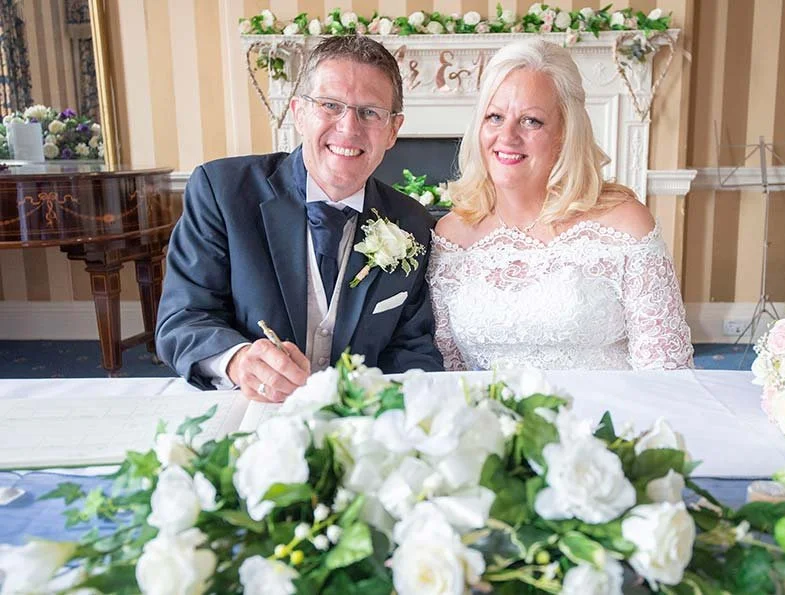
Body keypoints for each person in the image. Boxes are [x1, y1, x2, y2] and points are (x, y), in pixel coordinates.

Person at [156, 35, 443, 401]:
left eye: (369, 112)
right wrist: (239, 361)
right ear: (299, 113)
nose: (349, 128)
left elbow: (412, 349)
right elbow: (182, 318)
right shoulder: (222, 191)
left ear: (393, 130)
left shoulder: (411, 222)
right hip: (249, 410)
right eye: (330, 105)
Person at [428, 39, 693, 371]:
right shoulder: (453, 236)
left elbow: (667, 372)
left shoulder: (625, 225)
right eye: (494, 117)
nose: (506, 135)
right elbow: (448, 367)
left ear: (566, 133)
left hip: (609, 420)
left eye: (531, 121)